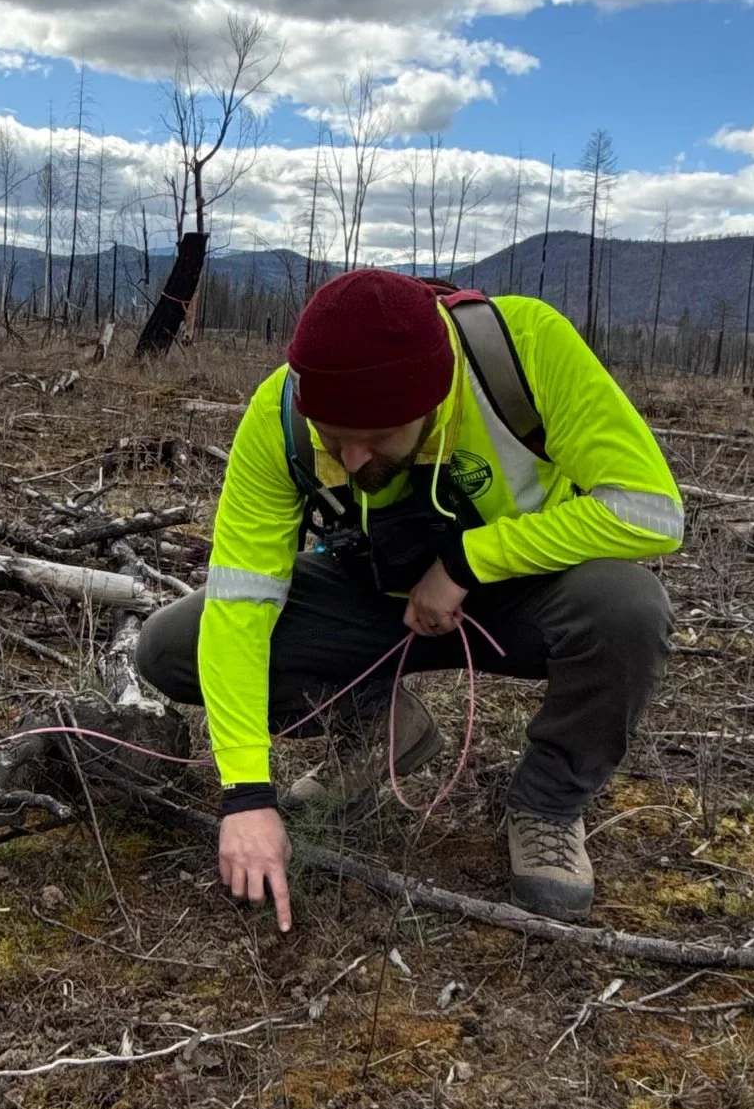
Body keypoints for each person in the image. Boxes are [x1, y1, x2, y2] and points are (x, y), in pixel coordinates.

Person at [135, 266, 684, 928]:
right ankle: (381, 730)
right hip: (372, 602)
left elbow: (652, 511)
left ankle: (546, 805)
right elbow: (239, 605)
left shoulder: (526, 350)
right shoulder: (277, 418)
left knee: (628, 608)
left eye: (379, 439)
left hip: (522, 599)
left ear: (436, 398)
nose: (355, 462)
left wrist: (469, 561)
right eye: (334, 441)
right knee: (174, 646)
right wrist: (245, 791)